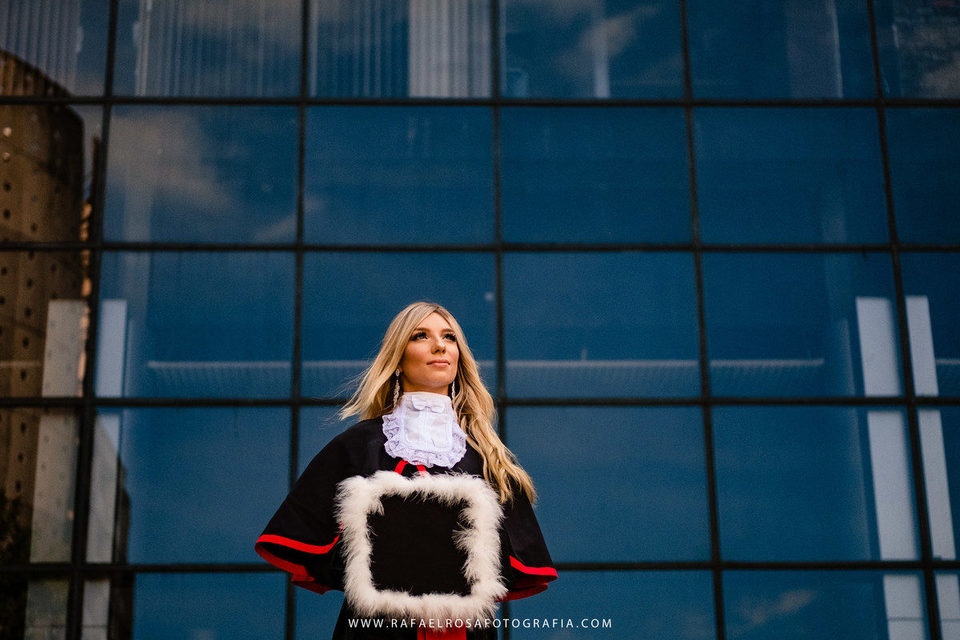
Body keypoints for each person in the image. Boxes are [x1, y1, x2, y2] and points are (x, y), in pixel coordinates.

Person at [255, 301, 556, 639]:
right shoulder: (359, 445)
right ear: (398, 359)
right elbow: (309, 539)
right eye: (420, 336)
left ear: (459, 356)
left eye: (449, 337)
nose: (439, 345)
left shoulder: (488, 456)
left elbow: (511, 562)